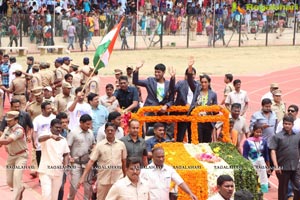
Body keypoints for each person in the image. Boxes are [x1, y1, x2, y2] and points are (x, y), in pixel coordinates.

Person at [77, 122, 127, 200]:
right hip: (103, 180)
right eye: (108, 130)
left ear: (115, 131)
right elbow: (91, 161)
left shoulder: (121, 145)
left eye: (112, 130)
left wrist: (125, 177)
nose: (110, 132)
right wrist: (83, 177)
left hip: (118, 179)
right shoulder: (99, 145)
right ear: (105, 131)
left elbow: (124, 161)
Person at [269, 115, 300, 200]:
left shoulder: (297, 136)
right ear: (283, 124)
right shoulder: (277, 136)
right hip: (282, 168)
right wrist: (275, 166)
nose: (287, 125)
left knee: (298, 188)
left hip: (295, 166)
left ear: (292, 125)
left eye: (289, 124)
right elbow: (273, 151)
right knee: (283, 190)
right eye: (285, 123)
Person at [38, 119, 70, 200]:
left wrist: (66, 165)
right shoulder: (46, 137)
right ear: (51, 127)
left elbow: (66, 154)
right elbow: (39, 139)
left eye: (60, 128)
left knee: (54, 197)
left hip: (58, 172)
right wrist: (51, 136)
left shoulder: (63, 140)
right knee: (46, 195)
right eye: (56, 127)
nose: (58, 129)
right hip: (45, 171)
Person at [0, 111, 27, 200]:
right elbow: (1, 141)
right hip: (11, 157)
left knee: (17, 178)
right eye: (7, 120)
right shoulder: (7, 129)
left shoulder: (19, 130)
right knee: (10, 182)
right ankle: (21, 187)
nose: (7, 122)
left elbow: (8, 141)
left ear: (16, 120)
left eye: (10, 120)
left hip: (21, 156)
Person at [67, 114, 95, 200]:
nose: (89, 126)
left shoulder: (90, 132)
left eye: (90, 124)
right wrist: (69, 157)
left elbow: (93, 144)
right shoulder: (73, 132)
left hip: (87, 163)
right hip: (76, 163)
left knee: (88, 186)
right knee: (74, 184)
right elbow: (67, 147)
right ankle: (70, 198)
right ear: (81, 123)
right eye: (87, 124)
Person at [174, 58, 199, 142]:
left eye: (193, 74)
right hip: (183, 112)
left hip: (193, 112)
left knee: (192, 134)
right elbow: (173, 89)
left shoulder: (197, 85)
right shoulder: (180, 83)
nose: (192, 76)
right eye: (190, 74)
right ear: (186, 75)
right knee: (180, 134)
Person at [189, 74, 218, 143]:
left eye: (205, 82)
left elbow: (215, 107)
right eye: (202, 82)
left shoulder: (213, 94)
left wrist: (211, 109)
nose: (203, 84)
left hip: (208, 121)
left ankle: (206, 154)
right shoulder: (197, 92)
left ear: (209, 83)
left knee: (207, 141)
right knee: (198, 141)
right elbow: (190, 82)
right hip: (198, 120)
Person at [243, 124, 270, 194]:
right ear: (253, 131)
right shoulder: (248, 142)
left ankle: (262, 192)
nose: (258, 134)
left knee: (263, 177)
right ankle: (253, 190)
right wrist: (246, 165)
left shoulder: (263, 141)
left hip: (261, 162)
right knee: (253, 176)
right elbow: (245, 155)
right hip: (251, 162)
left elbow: (266, 154)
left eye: (260, 132)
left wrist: (268, 165)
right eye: (257, 132)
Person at [32, 101, 56, 169]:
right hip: (40, 146)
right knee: (41, 166)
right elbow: (35, 131)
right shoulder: (37, 119)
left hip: (52, 145)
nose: (50, 110)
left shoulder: (54, 117)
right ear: (42, 110)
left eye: (51, 108)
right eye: (48, 109)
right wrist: (34, 141)